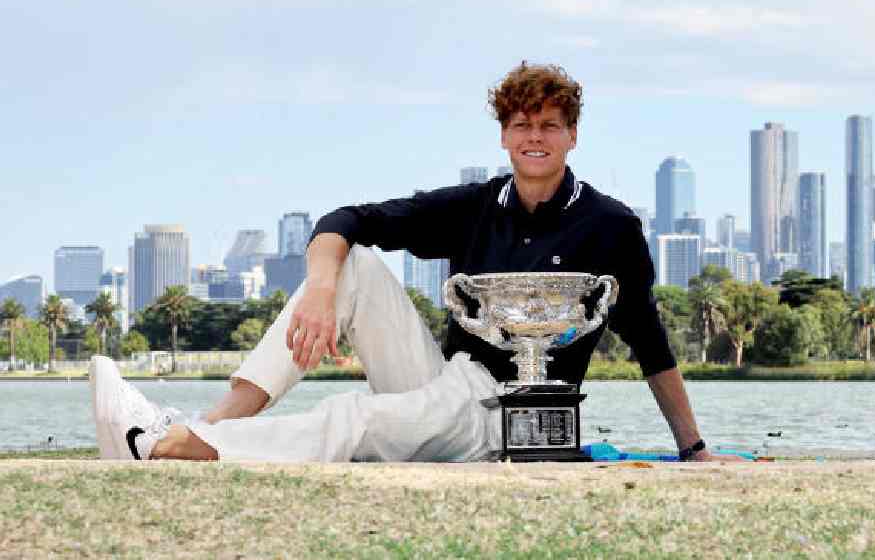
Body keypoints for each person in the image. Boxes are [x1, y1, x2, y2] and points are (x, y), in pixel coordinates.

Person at [91, 62, 715, 463]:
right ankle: (206, 422)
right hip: (447, 381)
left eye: (550, 125)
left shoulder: (609, 226)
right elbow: (347, 220)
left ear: (572, 135)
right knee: (353, 265)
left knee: (354, 417)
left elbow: (651, 344)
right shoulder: (473, 206)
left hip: (501, 417)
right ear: (503, 135)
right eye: (522, 124)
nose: (535, 136)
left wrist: (693, 449)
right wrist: (318, 287)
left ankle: (176, 446)